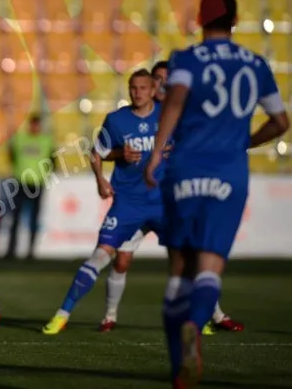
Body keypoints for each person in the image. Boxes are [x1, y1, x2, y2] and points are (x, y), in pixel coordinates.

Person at [145, 0, 290, 388]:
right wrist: (245, 141)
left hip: (186, 167)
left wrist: (157, 153)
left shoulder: (187, 58)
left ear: (199, 20)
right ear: (236, 20)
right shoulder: (254, 63)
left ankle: (179, 369)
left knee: (179, 270)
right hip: (230, 172)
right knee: (210, 267)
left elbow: (174, 102)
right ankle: (196, 322)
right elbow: (281, 122)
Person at [93, 62, 245, 335]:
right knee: (122, 260)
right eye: (159, 80)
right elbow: (107, 151)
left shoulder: (178, 114)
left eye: (166, 80)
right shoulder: (135, 117)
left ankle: (215, 314)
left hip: (171, 198)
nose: (162, 85)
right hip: (136, 200)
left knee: (192, 256)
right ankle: (109, 315)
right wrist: (119, 156)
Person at [42, 69, 166, 335]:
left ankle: (207, 317)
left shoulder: (168, 117)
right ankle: (64, 314)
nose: (137, 92)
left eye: (143, 88)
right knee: (105, 258)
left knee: (187, 256)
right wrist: (102, 179)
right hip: (128, 202)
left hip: (162, 201)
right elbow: (97, 152)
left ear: (153, 89)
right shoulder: (117, 120)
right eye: (133, 88)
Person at [5, 114, 56, 260]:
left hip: (37, 183)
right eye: (33, 124)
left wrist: (46, 174)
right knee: (16, 218)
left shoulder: (46, 140)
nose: (35, 127)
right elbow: (12, 155)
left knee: (34, 218)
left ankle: (31, 252)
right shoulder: (20, 138)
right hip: (21, 181)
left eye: (37, 124)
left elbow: (53, 159)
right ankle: (11, 251)